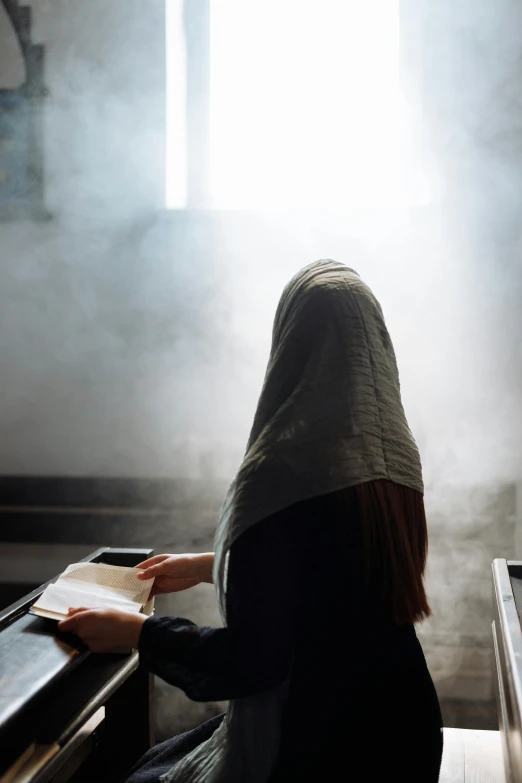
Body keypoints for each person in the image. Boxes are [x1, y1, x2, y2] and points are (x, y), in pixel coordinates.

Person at [58, 260, 443, 783]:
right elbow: (335, 582)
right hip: (403, 730)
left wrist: (139, 633)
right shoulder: (397, 463)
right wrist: (209, 566)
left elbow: (252, 661)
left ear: (291, 342)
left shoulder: (279, 466)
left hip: (319, 743)